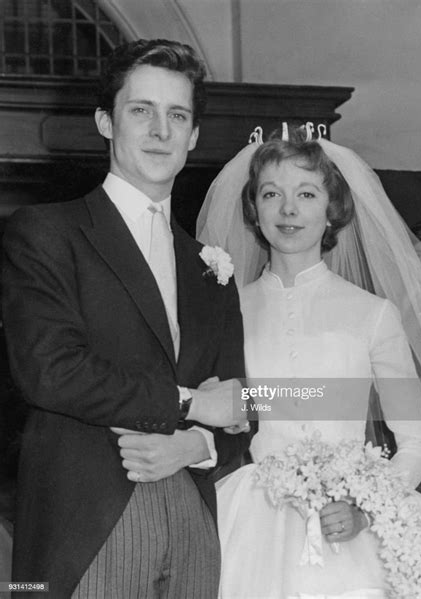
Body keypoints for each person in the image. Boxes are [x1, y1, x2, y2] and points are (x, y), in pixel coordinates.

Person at [2, 38, 250, 599]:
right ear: (105, 122)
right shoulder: (46, 231)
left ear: (192, 136)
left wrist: (201, 447)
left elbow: (243, 401)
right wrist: (186, 404)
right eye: (142, 110)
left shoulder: (211, 267)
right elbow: (48, 370)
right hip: (88, 519)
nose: (160, 130)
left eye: (177, 115)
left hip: (193, 521)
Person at [197, 124, 421, 598]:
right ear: (254, 208)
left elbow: (415, 444)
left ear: (332, 210)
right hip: (254, 516)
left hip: (356, 521)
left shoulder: (373, 314)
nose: (288, 209)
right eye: (271, 193)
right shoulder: (227, 310)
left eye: (306, 193)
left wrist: (365, 508)